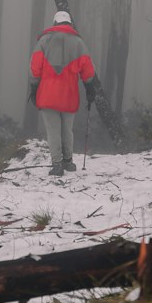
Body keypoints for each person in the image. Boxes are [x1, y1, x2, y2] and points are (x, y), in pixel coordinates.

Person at [28, 9, 97, 178]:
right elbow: (88, 69)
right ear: (69, 23)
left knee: (53, 131)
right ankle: (69, 161)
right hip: (69, 94)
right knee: (67, 129)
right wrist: (89, 87)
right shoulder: (79, 43)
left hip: (47, 94)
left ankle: (57, 164)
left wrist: (34, 87)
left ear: (55, 23)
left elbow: (35, 68)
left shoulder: (44, 41)